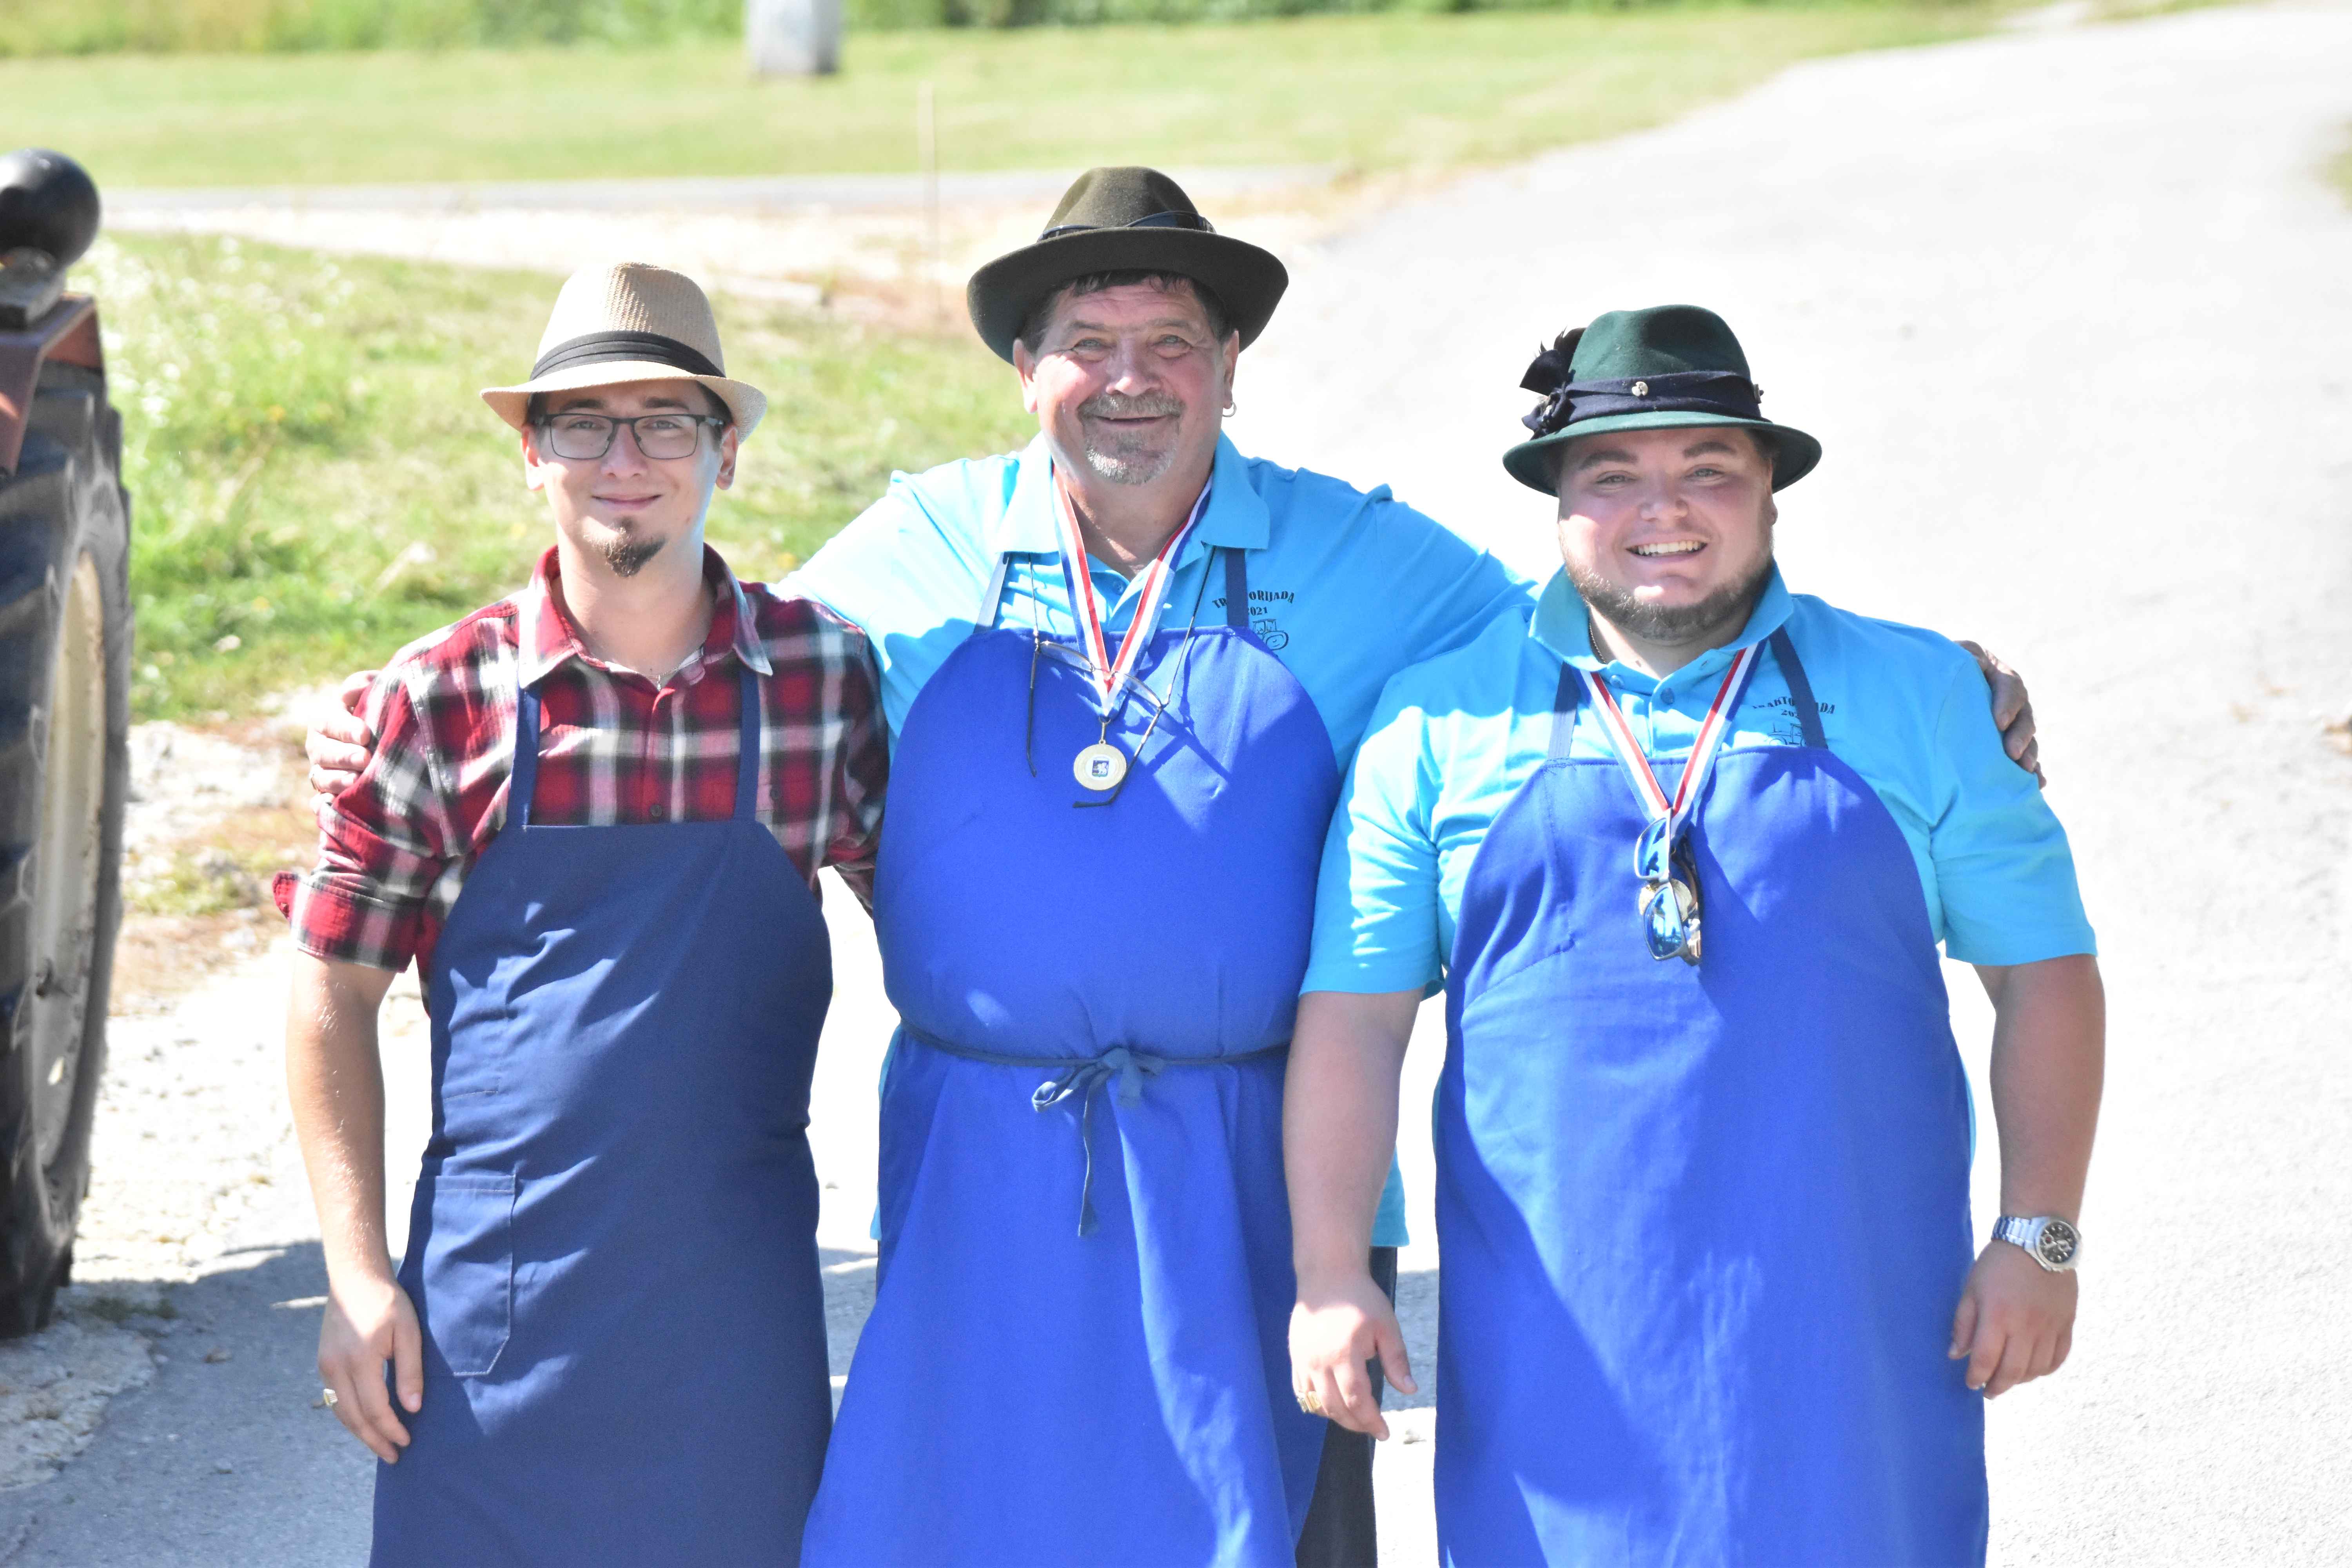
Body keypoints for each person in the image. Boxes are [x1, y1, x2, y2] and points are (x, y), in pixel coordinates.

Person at [304, 184, 2041, 1566]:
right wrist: (377, 716)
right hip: (988, 1165)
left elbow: (1615, 618)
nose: (1128, 375)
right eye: (1086, 340)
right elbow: (673, 618)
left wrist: (1911, 676)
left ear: (1229, 362)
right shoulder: (913, 553)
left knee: (1274, 1521)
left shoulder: (1360, 555)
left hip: (1256, 1171)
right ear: (1026, 369)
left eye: (1171, 340)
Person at [1283, 304, 2104, 1566]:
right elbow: (1355, 1019)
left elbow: (2045, 979)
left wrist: (2038, 1233)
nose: (1662, 511)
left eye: (1708, 470)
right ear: (1556, 505)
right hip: (1552, 1363)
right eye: (1613, 477)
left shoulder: (1922, 697)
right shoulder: (1432, 728)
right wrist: (1333, 1270)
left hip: (1858, 1350)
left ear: (1771, 489)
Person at [280, 263, 887, 1566]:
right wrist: (356, 1276)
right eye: (584, 424)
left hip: (740, 1324)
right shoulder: (441, 698)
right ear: (530, 450)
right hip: (494, 1328)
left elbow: (946, 941)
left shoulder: (824, 682)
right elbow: (329, 987)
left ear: (726, 447)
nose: (627, 460)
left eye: (667, 421)